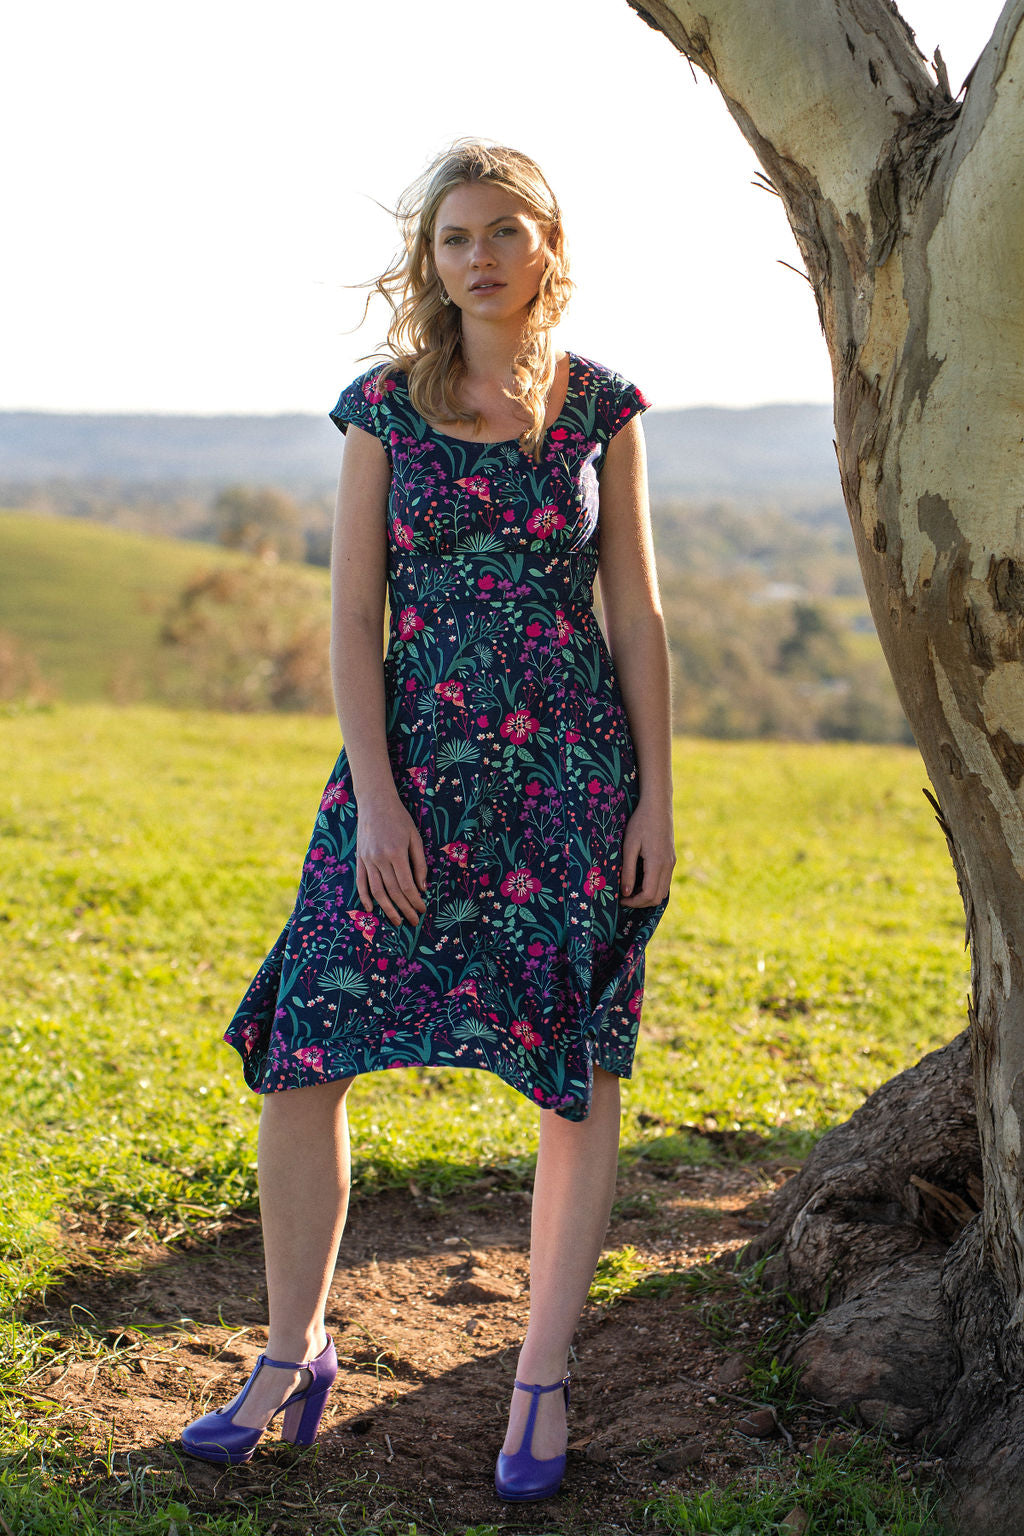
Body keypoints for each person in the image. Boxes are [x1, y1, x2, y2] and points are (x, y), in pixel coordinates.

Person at [179, 137, 675, 1502]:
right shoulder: (380, 412)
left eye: (503, 232)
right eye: (456, 237)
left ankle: (540, 1374)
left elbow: (633, 614)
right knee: (303, 1050)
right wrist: (379, 805)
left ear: (547, 247)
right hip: (410, 781)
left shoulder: (604, 409)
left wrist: (657, 798)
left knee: (575, 1066)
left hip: (568, 782)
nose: (480, 257)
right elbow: (353, 617)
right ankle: (291, 1354)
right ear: (433, 260)